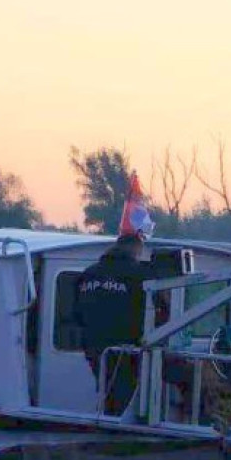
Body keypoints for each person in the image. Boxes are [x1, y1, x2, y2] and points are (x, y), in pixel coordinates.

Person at [75, 173, 157, 415]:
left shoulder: (88, 274)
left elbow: (76, 315)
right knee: (123, 400)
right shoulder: (140, 276)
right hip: (127, 353)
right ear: (137, 243)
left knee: (108, 392)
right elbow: (150, 315)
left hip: (94, 352)